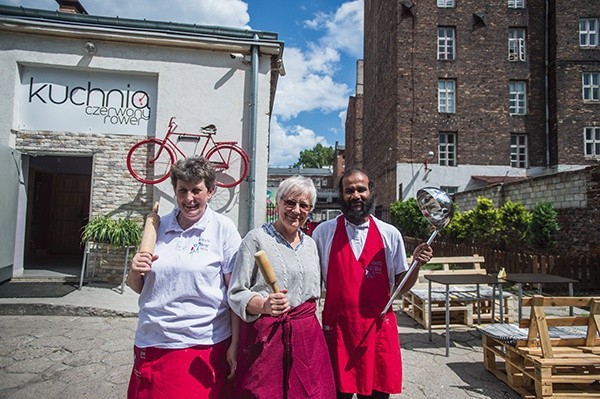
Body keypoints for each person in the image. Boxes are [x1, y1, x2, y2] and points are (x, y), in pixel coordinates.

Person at [126, 156, 241, 399]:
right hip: (153, 341)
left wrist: (235, 344)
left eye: (196, 190)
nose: (189, 198)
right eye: (182, 191)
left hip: (203, 345)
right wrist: (135, 269)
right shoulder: (158, 226)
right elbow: (139, 287)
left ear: (210, 191)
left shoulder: (223, 229)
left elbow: (235, 294)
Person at [312, 168, 433, 399]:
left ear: (370, 192)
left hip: (377, 331)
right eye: (349, 190)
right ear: (341, 195)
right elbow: (313, 284)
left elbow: (400, 286)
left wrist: (416, 264)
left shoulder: (390, 233)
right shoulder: (323, 233)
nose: (356, 195)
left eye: (361, 189)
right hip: (338, 333)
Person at [228, 176, 336, 399]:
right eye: (290, 202)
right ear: (277, 203)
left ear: (310, 210)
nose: (296, 210)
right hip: (268, 339)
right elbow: (236, 292)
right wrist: (263, 304)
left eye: (304, 205)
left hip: (307, 338)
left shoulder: (311, 244)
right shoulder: (256, 239)